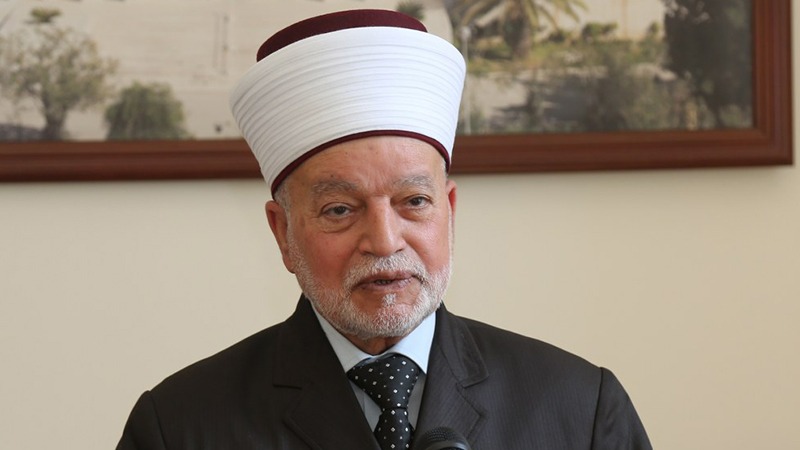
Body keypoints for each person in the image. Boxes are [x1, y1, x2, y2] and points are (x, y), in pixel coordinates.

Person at [116, 9, 651, 450]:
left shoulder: (580, 408)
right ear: (283, 234)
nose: (385, 241)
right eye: (339, 210)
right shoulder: (179, 428)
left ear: (449, 211)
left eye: (413, 202)